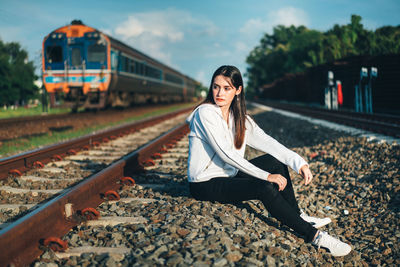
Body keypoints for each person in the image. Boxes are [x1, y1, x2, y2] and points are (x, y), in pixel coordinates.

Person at [186, 65, 351, 257]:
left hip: (228, 175)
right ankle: (315, 236)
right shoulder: (205, 113)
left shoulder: (239, 118)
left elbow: (267, 142)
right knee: (264, 187)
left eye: (227, 88)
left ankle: (297, 216)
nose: (220, 93)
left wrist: (299, 162)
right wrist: (266, 176)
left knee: (275, 162)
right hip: (204, 183)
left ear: (238, 90)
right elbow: (226, 154)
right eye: (216, 87)